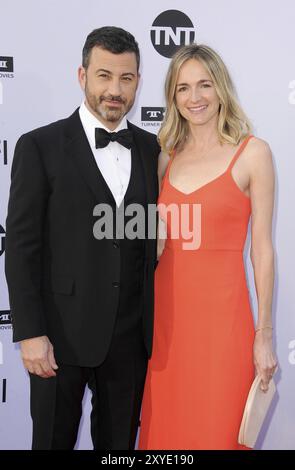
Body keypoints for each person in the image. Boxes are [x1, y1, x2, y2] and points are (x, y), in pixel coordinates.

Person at [5, 26, 159, 450]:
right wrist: (31, 332)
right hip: (58, 338)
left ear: (138, 83)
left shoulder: (151, 149)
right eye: (104, 76)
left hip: (129, 340)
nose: (115, 90)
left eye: (126, 79)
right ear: (82, 76)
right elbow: (20, 248)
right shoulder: (40, 145)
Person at [138, 44, 277, 450]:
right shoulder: (165, 158)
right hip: (165, 327)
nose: (194, 98)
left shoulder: (254, 154)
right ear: (171, 96)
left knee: (216, 432)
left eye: (204, 85)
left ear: (221, 89)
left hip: (223, 326)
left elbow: (263, 250)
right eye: (182, 88)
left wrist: (264, 334)